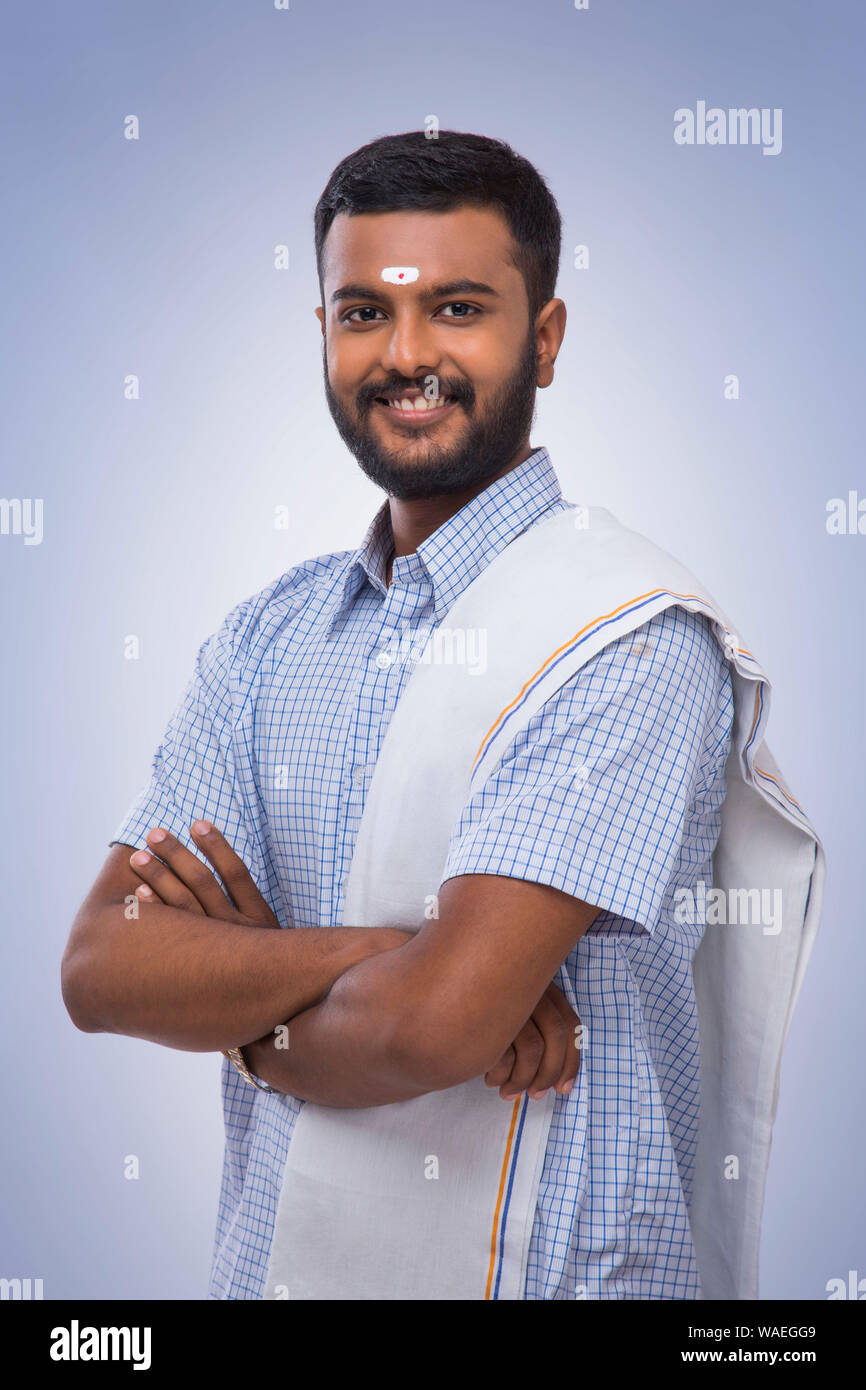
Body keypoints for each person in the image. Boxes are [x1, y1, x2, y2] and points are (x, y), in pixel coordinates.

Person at [61, 130, 821, 1301]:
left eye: (457, 308)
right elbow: (103, 965)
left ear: (546, 339)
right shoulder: (266, 637)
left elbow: (430, 1032)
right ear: (321, 336)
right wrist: (392, 958)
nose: (406, 354)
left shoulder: (626, 635)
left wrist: (246, 997)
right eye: (363, 312)